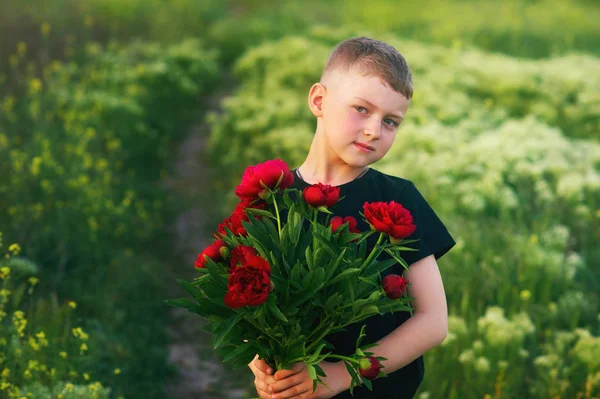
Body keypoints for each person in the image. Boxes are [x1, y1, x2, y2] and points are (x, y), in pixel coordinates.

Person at [248, 36, 456, 399]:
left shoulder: (397, 199)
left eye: (391, 121)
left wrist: (342, 375)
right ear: (319, 100)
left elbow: (433, 322)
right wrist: (260, 360)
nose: (375, 130)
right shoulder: (272, 198)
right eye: (361, 109)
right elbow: (249, 300)